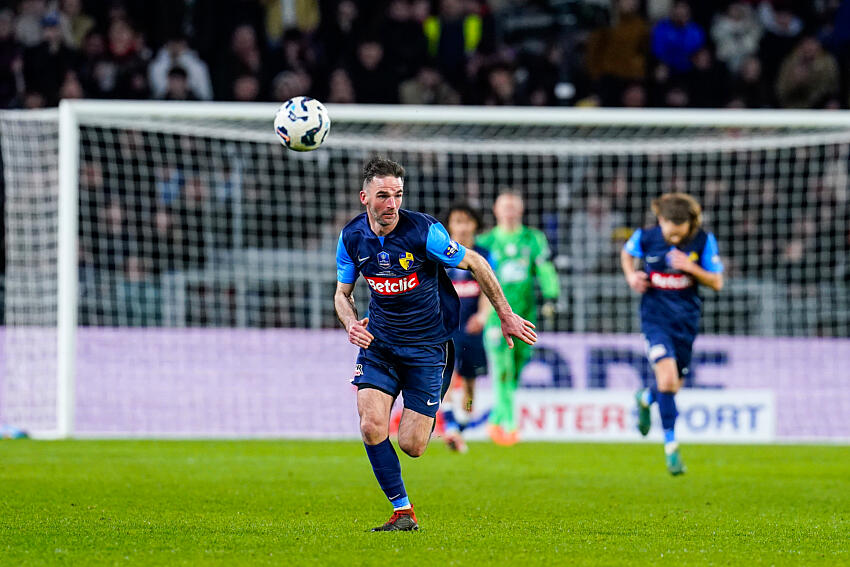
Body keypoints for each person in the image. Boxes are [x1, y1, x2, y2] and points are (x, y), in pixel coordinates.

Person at [335, 157, 536, 532]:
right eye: (383, 196)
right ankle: (402, 512)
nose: (392, 203)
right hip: (379, 344)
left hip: (428, 348)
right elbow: (341, 294)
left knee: (412, 445)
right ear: (365, 197)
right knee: (371, 424)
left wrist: (505, 314)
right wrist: (350, 322)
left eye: (397, 194)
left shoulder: (424, 231)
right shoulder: (351, 237)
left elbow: (476, 262)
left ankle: (436, 417)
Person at [620, 193, 724, 476]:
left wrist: (690, 267)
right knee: (666, 379)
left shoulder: (703, 241)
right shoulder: (646, 237)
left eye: (681, 233)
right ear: (661, 221)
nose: (676, 238)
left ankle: (644, 398)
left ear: (691, 224)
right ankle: (671, 447)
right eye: (671, 232)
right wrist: (632, 276)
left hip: (686, 323)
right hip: (655, 320)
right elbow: (627, 254)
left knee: (670, 387)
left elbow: (717, 282)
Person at [477, 192, 559, 446]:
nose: (509, 211)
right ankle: (511, 427)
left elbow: (544, 269)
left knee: (516, 371)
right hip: (495, 317)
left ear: (521, 210)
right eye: (505, 207)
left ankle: (494, 421)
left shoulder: (533, 239)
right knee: (503, 370)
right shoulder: (485, 241)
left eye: (514, 207)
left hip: (526, 316)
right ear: (496, 210)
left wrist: (551, 296)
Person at [440, 203, 490, 453]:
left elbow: (489, 287)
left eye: (466, 221)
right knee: (445, 376)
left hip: (472, 328)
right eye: (457, 221)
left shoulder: (483, 253)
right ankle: (450, 424)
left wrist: (482, 316)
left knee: (470, 386)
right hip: (445, 327)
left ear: (474, 225)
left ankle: (461, 425)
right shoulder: (440, 253)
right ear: (450, 225)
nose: (461, 226)